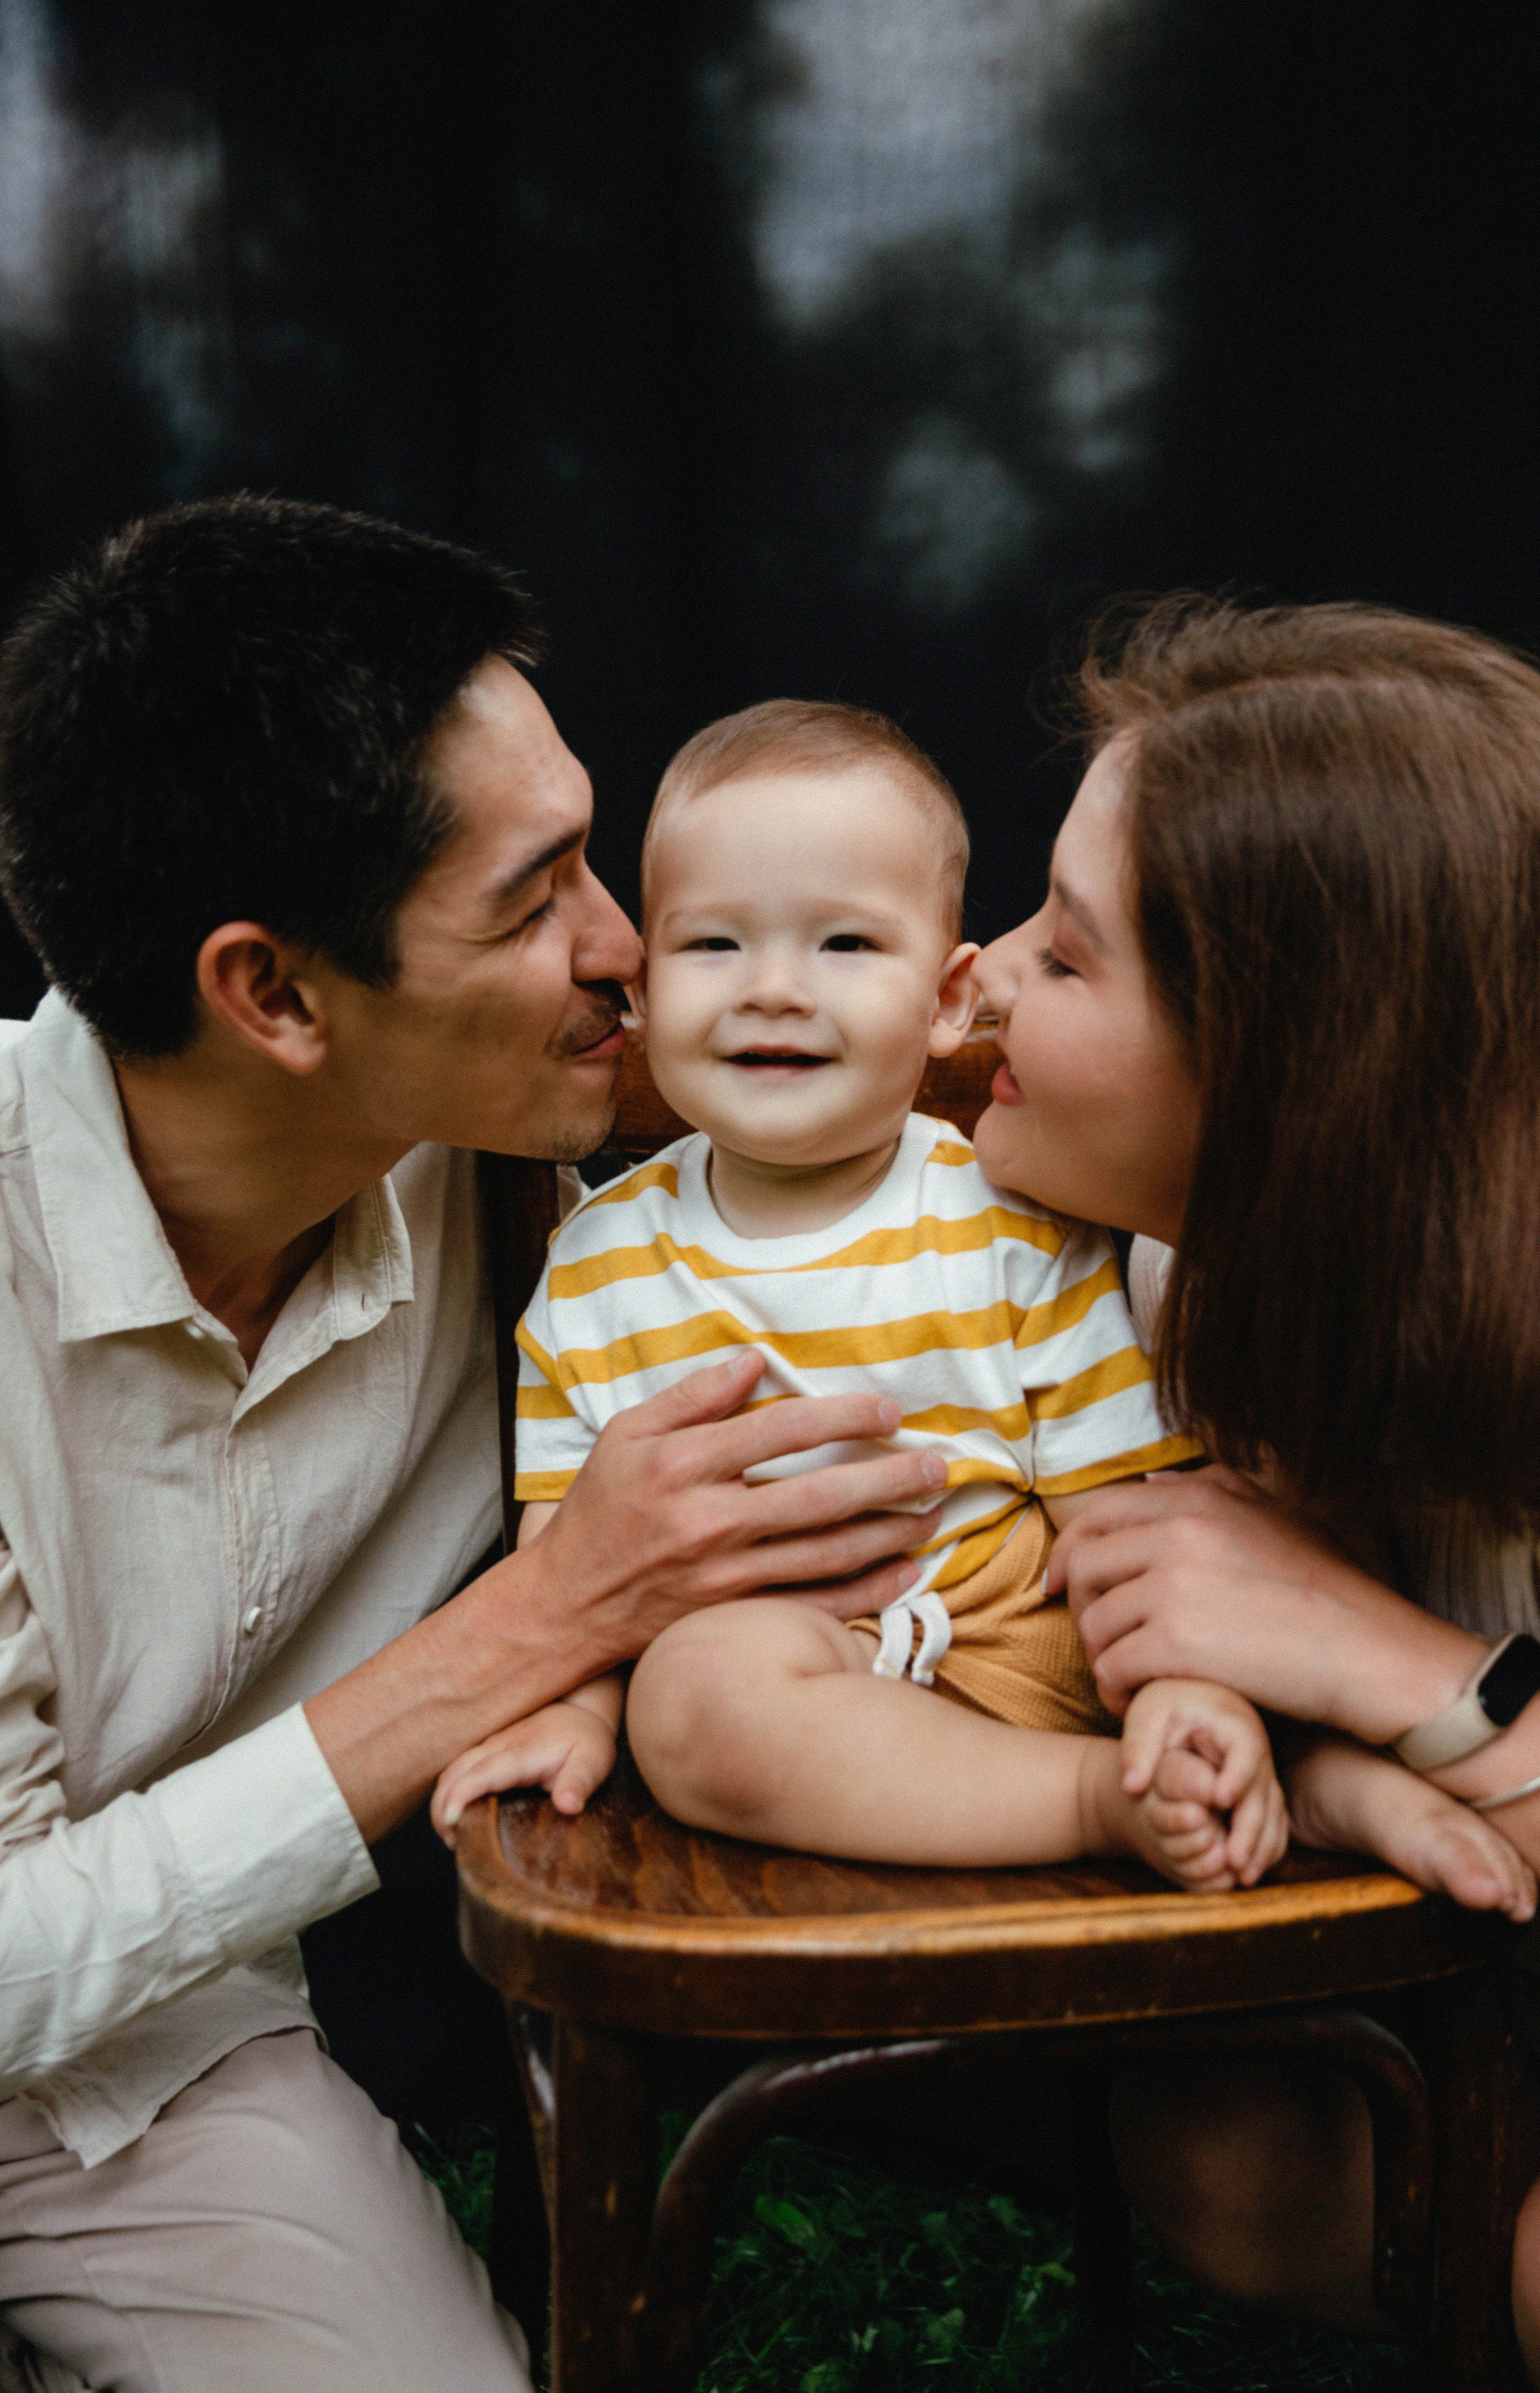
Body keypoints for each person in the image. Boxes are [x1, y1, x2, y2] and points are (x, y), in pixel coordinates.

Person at [0, 499, 949, 2393]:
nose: (627, 951)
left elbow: (846, 1110)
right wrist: (534, 1629)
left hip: (148, 2059)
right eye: (533, 904)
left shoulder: (524, 1169)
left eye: (593, 856)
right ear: (272, 994)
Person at [970, 595, 1540, 2389]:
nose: (982, 969)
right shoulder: (1190, 1266)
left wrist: (1401, 1669)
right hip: (1533, 2031)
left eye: (1066, 958)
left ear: (1295, 1090)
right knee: (1241, 2151)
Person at [443, 699, 1314, 1884]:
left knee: (1228, 1654)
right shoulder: (597, 1263)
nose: (774, 990)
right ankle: (1089, 1807)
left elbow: (1123, 1506)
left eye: (844, 946)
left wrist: (1182, 1693)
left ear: (950, 1000)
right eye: (715, 946)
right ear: (643, 982)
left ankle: (1167, 1780)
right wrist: (578, 1713)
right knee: (692, 1699)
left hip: (1022, 1627)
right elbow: (572, 1560)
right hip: (784, 1676)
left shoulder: (1008, 1219)